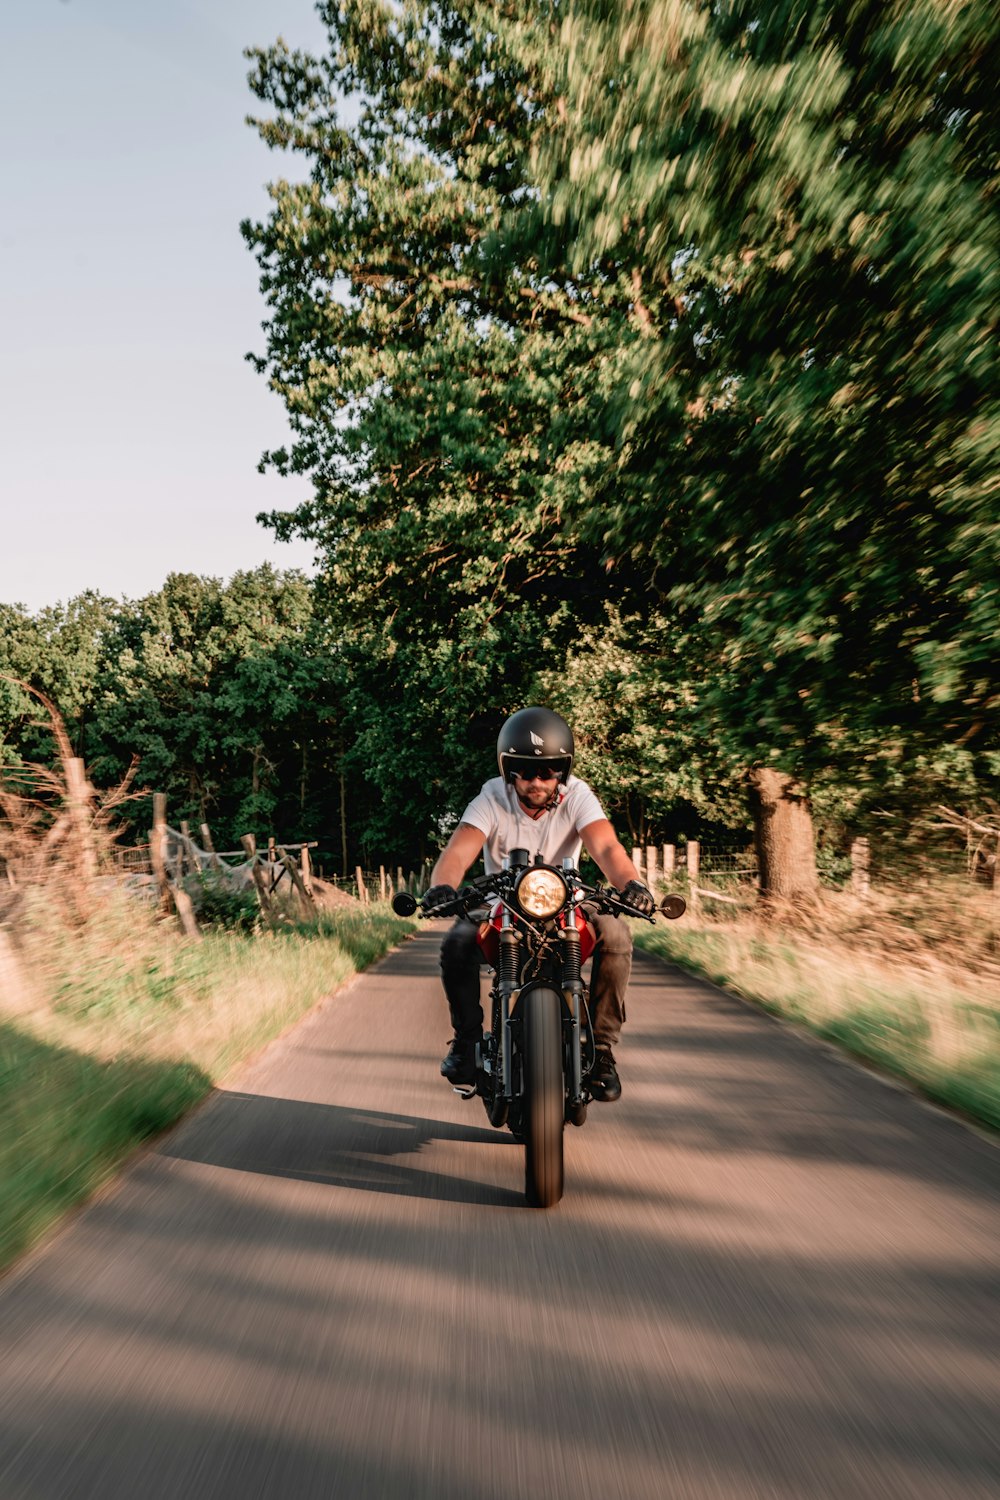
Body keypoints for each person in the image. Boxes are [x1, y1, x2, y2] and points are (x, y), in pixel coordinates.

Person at [423, 706, 655, 1101]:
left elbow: (606, 846)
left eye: (547, 771)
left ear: (561, 771)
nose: (536, 781)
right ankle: (465, 1041)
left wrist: (632, 883)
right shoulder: (492, 797)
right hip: (502, 904)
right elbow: (460, 849)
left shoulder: (578, 795)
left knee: (616, 933)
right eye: (525, 771)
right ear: (509, 769)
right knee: (457, 941)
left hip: (569, 904)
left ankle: (601, 1049)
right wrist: (442, 886)